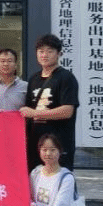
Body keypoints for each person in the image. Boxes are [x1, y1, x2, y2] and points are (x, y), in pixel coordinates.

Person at [20, 34, 79, 172]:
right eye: (41, 51)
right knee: (34, 179)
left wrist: (35, 113)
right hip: (35, 144)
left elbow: (67, 111)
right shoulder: (33, 79)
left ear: (59, 54)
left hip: (57, 144)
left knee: (57, 179)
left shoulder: (66, 78)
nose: (44, 55)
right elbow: (27, 111)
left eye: (49, 51)